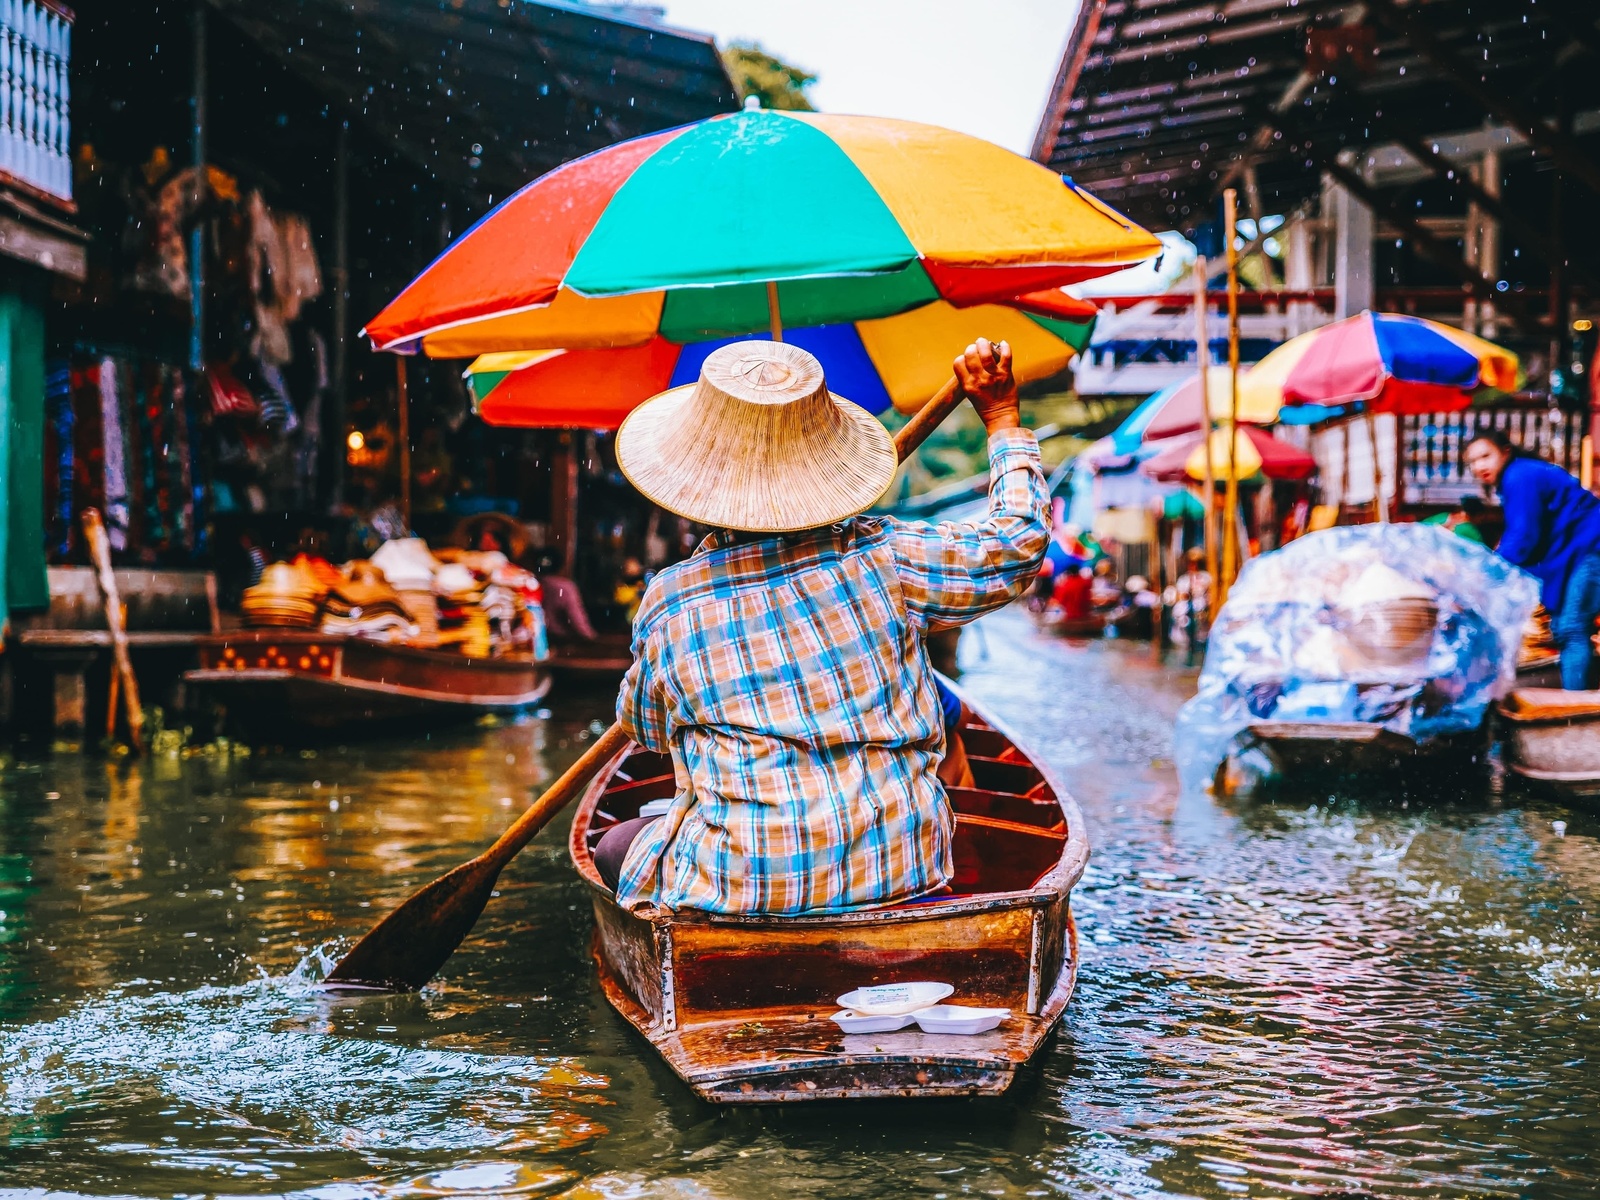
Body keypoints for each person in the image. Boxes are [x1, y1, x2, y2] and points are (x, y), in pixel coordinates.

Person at [593, 337, 1046, 914]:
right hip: (903, 864)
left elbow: (648, 731)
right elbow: (1017, 545)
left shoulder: (668, 601)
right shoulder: (884, 556)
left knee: (614, 849)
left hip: (747, 885)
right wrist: (1002, 419)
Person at [1466, 429, 1600, 689]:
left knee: (1572, 627)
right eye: (1473, 461)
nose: (1479, 466)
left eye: (1485, 456)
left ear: (1505, 452)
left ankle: (1575, 709)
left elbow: (1523, 537)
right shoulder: (1519, 477)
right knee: (1566, 627)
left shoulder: (1519, 477)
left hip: (1592, 548)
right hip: (1583, 551)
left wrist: (1486, 573)